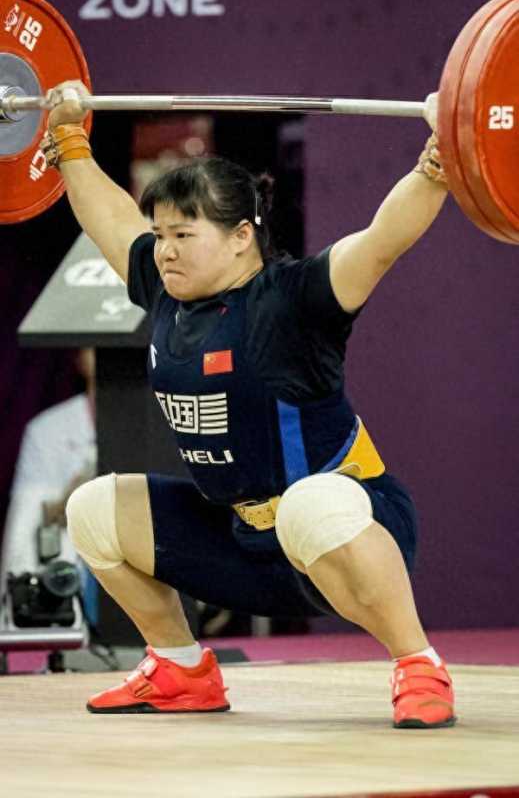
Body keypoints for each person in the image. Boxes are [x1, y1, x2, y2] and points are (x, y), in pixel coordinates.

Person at [41, 81, 455, 728]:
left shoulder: (296, 299)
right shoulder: (164, 289)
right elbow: (110, 218)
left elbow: (383, 239)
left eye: (183, 233)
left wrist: (441, 156)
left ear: (240, 236)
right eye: (160, 234)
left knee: (309, 506)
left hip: (348, 531)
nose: (164, 248)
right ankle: (180, 669)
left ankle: (418, 663)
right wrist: (68, 136)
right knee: (94, 509)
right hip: (241, 541)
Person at [0, 349, 97, 624]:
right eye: (95, 349)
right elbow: (22, 533)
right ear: (80, 359)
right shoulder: (49, 429)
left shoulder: (163, 420)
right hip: (73, 579)